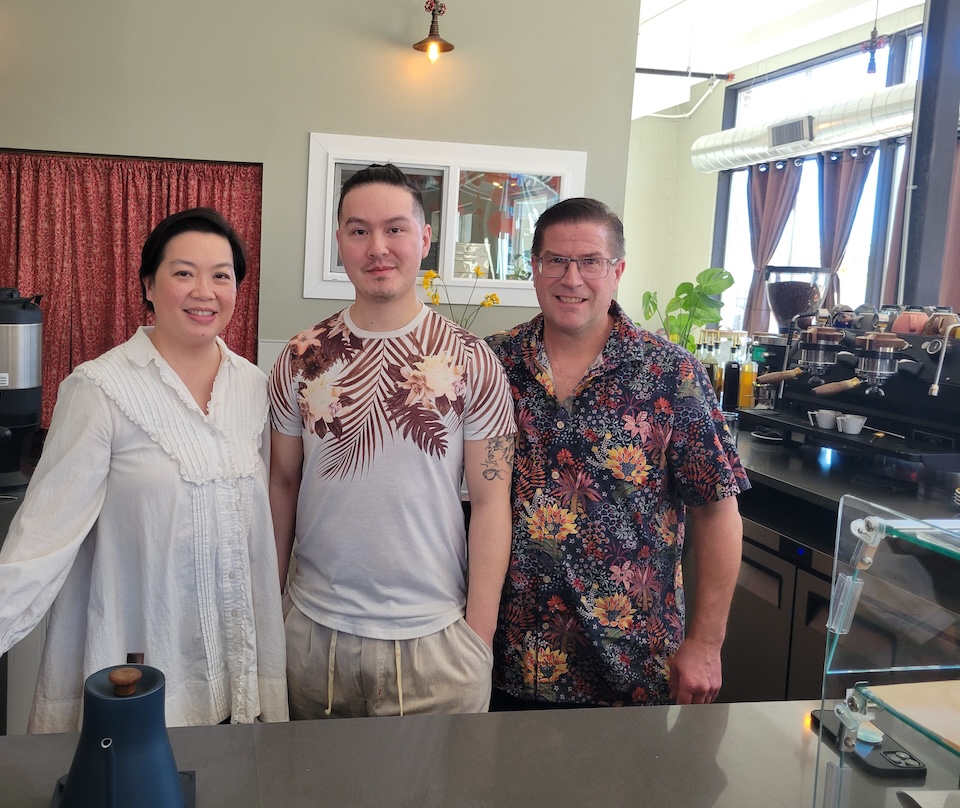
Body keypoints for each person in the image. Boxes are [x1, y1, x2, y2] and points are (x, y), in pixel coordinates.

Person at [0, 208, 288, 738]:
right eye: (184, 272)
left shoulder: (253, 388)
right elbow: (43, 533)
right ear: (149, 284)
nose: (204, 290)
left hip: (240, 670)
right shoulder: (100, 388)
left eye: (221, 275)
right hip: (143, 673)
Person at [268, 163, 517, 719]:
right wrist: (273, 607)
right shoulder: (302, 355)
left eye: (396, 229)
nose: (378, 247)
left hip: (437, 646)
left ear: (424, 239)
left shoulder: (473, 362)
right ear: (340, 242)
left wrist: (479, 635)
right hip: (311, 638)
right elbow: (282, 483)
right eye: (359, 231)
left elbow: (492, 501)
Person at [485, 197, 747, 709]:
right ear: (535, 269)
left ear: (618, 269)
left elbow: (717, 512)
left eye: (590, 262)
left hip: (630, 670)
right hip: (505, 661)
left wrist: (706, 644)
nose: (571, 278)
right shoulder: (493, 364)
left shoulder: (670, 374)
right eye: (555, 261)